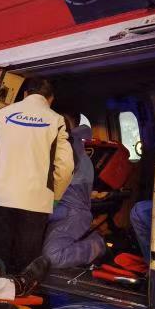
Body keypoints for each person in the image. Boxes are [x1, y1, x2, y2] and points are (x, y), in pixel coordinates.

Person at [0, 76, 74, 275]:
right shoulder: (56, 121)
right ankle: (18, 293)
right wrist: (54, 196)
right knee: (23, 267)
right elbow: (65, 167)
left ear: (25, 94)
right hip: (34, 203)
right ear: (50, 99)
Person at [42, 113, 106, 268]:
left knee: (53, 256)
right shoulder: (62, 148)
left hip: (70, 213)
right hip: (56, 210)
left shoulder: (71, 151)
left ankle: (97, 245)